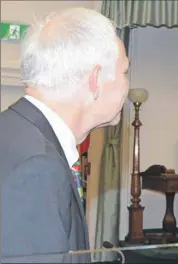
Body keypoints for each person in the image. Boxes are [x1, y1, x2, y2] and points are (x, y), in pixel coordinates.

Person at [1, 7, 129, 263]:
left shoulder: (13, 132)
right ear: (95, 80)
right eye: (124, 72)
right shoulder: (38, 167)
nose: (127, 84)